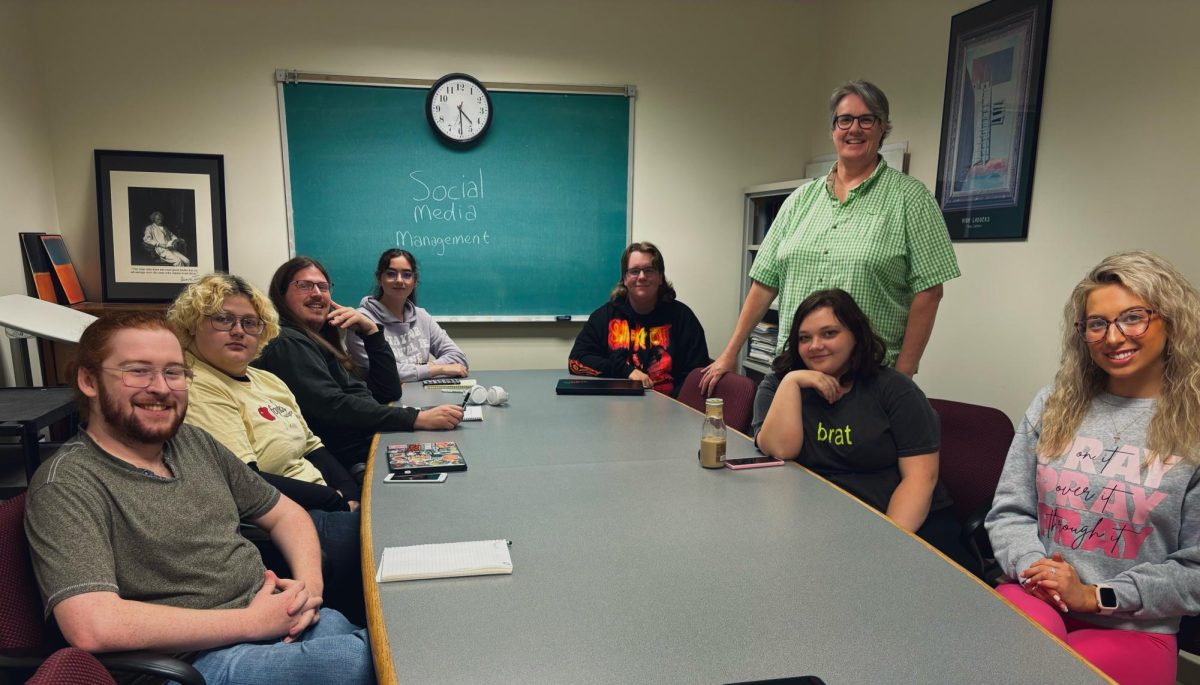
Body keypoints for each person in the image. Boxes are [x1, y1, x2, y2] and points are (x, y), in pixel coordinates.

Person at [23, 311, 373, 685]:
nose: (160, 387)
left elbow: (286, 514)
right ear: (89, 380)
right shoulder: (67, 485)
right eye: (138, 371)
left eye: (174, 372)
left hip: (273, 618)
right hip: (191, 662)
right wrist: (250, 623)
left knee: (396, 640)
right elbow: (92, 625)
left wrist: (307, 591)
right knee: (366, 662)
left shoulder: (192, 442)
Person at [985, 251, 1200, 685]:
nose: (1113, 337)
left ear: (1171, 320)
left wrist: (1093, 595)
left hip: (1136, 627)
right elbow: (1010, 511)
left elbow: (1195, 570)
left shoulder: (1193, 424)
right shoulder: (1054, 402)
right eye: (1096, 324)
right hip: (1036, 596)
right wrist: (1034, 568)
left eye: (1133, 318)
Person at [701, 80, 960, 394]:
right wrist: (730, 353)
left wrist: (903, 378)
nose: (854, 129)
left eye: (867, 119)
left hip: (865, 380)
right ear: (833, 129)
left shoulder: (911, 199)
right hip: (792, 373)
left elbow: (929, 293)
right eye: (845, 120)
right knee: (769, 445)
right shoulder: (800, 200)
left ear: (882, 129)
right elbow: (765, 282)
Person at [167, 273, 365, 625]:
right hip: (274, 519)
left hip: (321, 500)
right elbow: (247, 482)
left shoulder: (266, 380)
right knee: (375, 539)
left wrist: (351, 491)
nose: (238, 331)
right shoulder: (197, 385)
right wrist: (337, 502)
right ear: (192, 326)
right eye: (223, 319)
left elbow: (312, 447)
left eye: (249, 322)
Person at [751, 288, 971, 568]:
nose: (815, 345)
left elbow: (920, 479)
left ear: (856, 335)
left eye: (829, 333)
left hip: (901, 523)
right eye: (804, 338)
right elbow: (781, 449)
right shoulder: (779, 386)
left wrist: (885, 544)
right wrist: (793, 382)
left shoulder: (895, 389)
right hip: (825, 521)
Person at [254, 256, 463, 471]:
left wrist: (371, 332)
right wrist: (416, 418)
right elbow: (334, 406)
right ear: (281, 294)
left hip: (371, 440)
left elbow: (387, 392)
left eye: (323, 287)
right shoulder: (287, 343)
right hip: (350, 461)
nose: (316, 293)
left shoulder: (321, 338)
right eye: (304, 285)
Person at [568, 241, 710, 397]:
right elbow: (576, 361)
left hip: (669, 409)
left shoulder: (683, 318)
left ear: (660, 277)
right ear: (625, 278)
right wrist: (626, 371)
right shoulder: (604, 317)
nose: (642, 277)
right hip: (614, 408)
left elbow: (696, 373)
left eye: (649, 270)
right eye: (635, 271)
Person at [348, 248, 469, 382]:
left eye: (406, 275)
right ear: (379, 278)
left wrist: (426, 368)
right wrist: (436, 369)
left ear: (415, 281)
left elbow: (458, 357)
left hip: (420, 394)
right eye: (391, 274)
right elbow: (383, 372)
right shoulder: (361, 321)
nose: (399, 280)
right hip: (378, 400)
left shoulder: (422, 316)